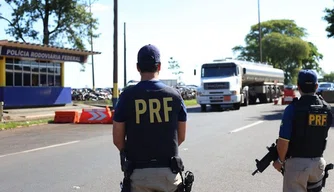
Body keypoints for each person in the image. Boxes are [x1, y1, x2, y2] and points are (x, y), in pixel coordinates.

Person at [112, 44, 188, 192]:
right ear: (159, 66)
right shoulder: (175, 96)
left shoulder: (127, 96)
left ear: (137, 67)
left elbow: (117, 139)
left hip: (139, 174)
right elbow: (181, 136)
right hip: (169, 173)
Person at [273, 69, 333, 192]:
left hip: (297, 166)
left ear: (298, 87)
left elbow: (283, 141)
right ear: (316, 86)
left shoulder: (292, 109)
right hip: (317, 165)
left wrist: (280, 161)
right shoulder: (326, 109)